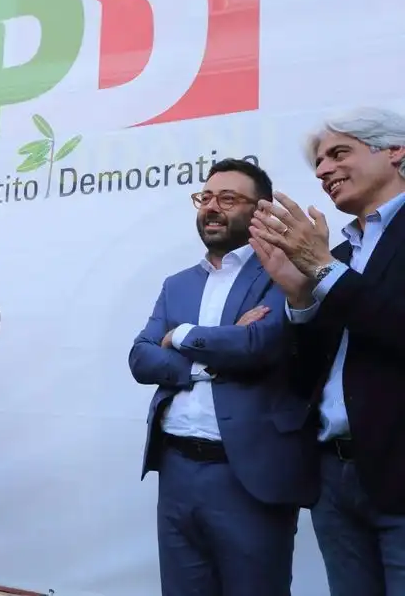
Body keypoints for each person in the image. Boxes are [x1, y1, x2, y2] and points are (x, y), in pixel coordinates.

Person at [128, 159, 318, 596]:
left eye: (228, 199)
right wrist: (209, 359)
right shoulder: (177, 284)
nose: (212, 207)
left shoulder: (282, 273)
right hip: (177, 470)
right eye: (206, 197)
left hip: (248, 474)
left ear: (261, 210)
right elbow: (140, 358)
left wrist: (180, 336)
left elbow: (259, 345)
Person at [250, 107, 405, 596]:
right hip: (335, 479)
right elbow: (305, 379)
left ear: (395, 151)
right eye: (318, 163)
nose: (323, 171)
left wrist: (322, 272)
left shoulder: (327, 263)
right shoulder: (336, 256)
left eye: (339, 153)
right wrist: (299, 299)